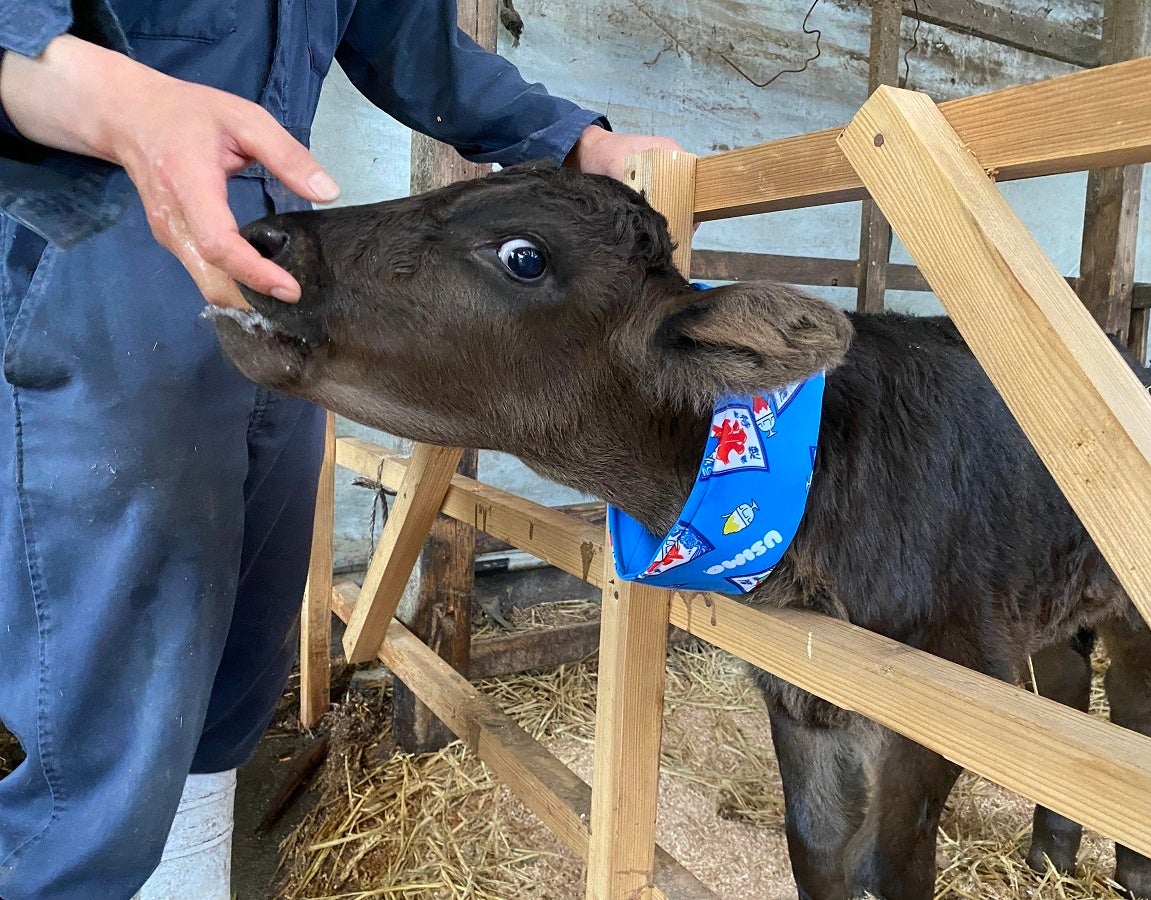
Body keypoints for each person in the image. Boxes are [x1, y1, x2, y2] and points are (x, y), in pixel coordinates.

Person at [0, 2, 683, 898]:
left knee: (237, 671)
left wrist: (572, 137)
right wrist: (112, 100)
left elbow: (406, 34)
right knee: (103, 739)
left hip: (288, 281)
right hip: (104, 228)